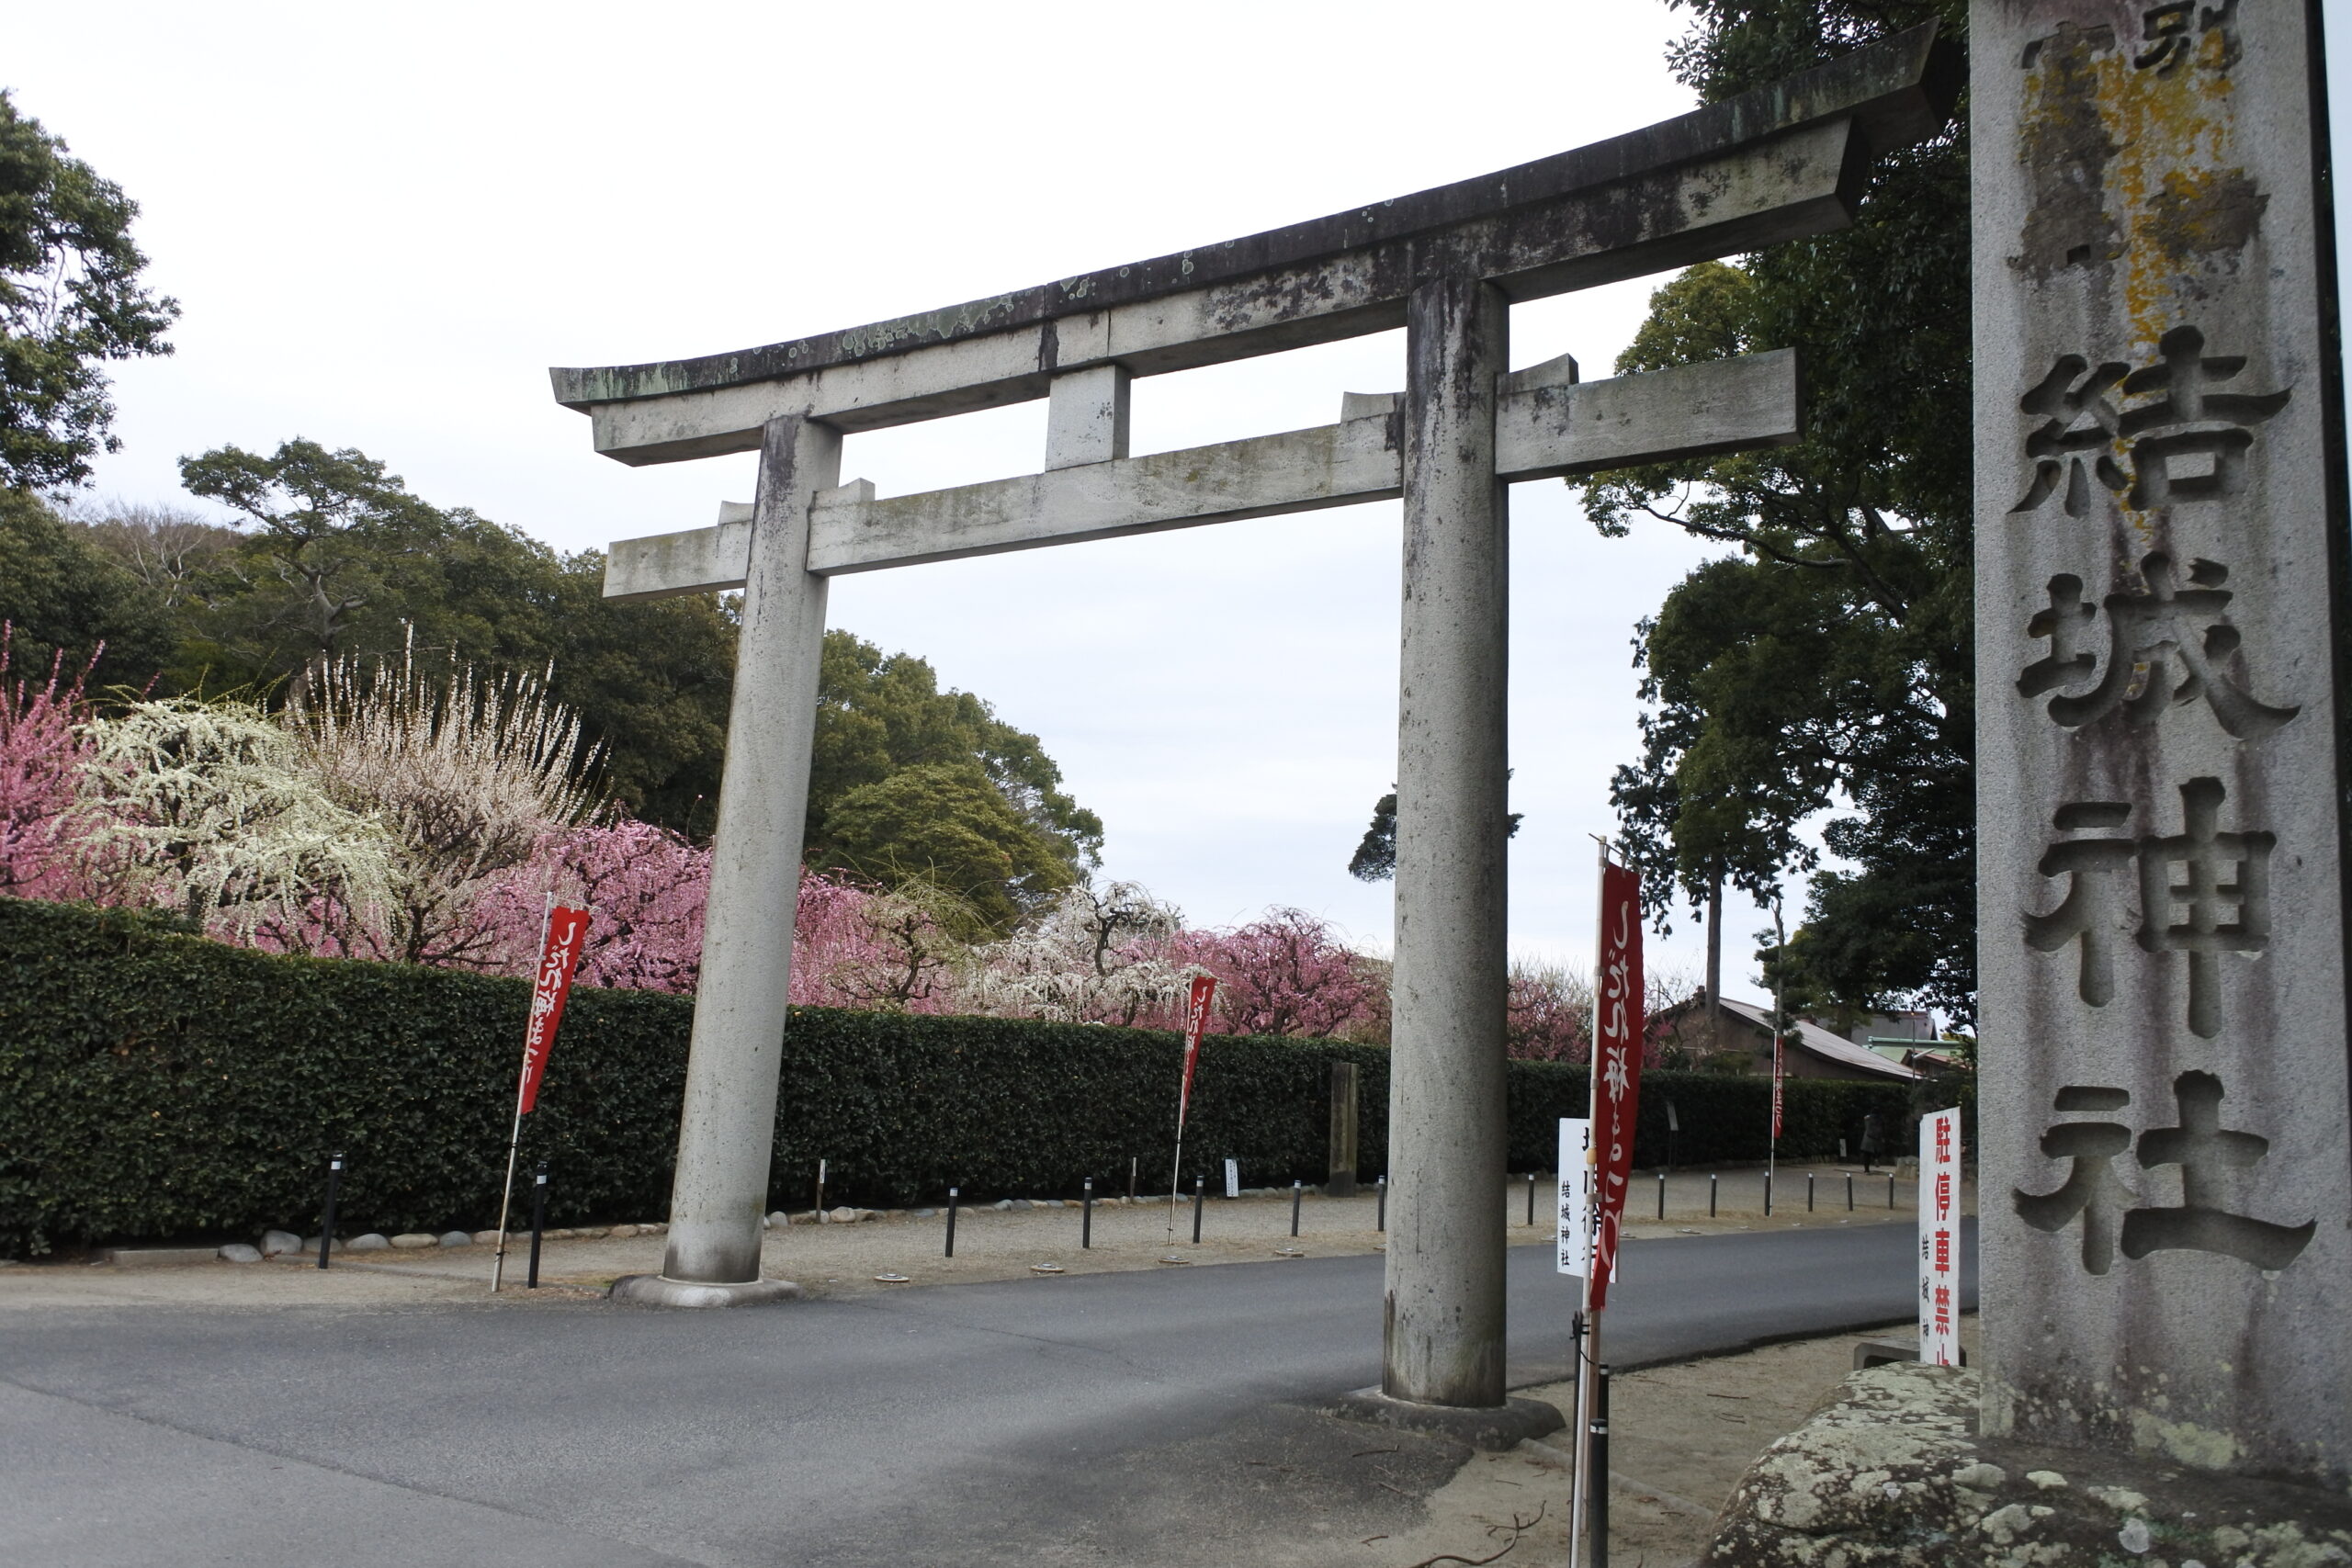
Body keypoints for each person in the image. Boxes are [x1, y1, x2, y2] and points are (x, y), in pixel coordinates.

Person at [1860, 1111, 1885, 1175]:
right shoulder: (1880, 1119)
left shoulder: (1868, 1118)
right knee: (1877, 1151)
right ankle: (1876, 1158)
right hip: (1876, 1138)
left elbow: (1864, 1118)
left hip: (1867, 1138)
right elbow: (1883, 1129)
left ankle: (1867, 1170)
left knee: (1866, 1155)